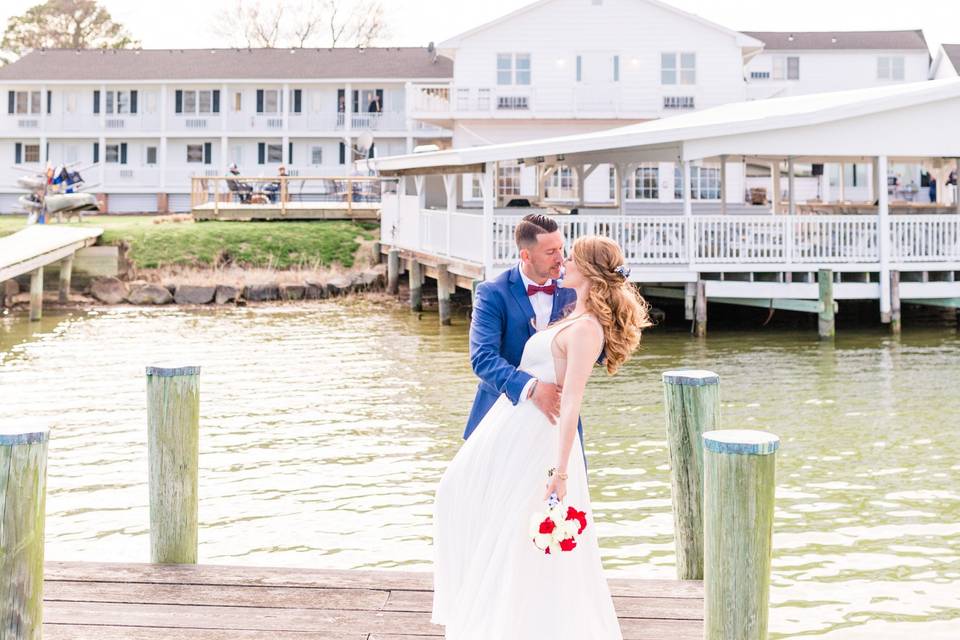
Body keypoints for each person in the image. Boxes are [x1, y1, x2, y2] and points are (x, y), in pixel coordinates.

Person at [432, 235, 651, 639]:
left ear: (587, 271)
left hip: (539, 444)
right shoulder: (572, 316)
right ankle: (493, 610)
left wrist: (561, 471)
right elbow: (507, 358)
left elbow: (571, 402)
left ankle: (522, 624)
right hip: (515, 432)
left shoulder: (586, 328)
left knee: (522, 533)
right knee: (460, 498)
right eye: (556, 253)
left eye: (570, 257)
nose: (562, 261)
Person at [464, 214, 575, 441]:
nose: (560, 259)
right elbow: (483, 358)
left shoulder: (573, 288)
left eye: (561, 249)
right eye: (550, 252)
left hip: (558, 418)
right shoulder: (492, 293)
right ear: (526, 255)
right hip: (500, 413)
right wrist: (532, 388)